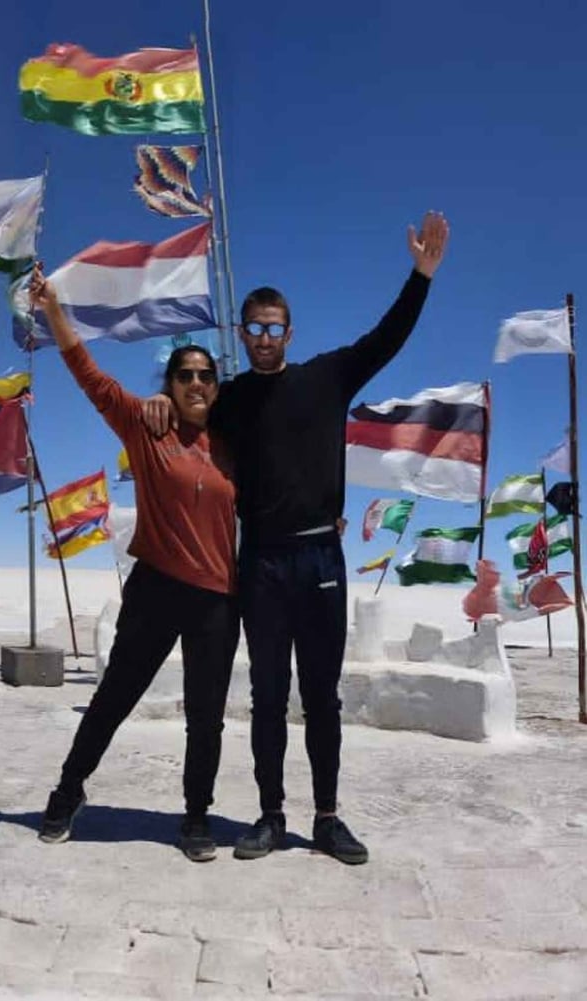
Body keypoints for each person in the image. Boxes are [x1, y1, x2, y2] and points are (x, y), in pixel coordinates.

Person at [144, 211, 450, 865]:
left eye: (273, 328)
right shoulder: (229, 399)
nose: (264, 338)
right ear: (242, 333)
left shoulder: (326, 377)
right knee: (267, 697)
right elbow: (185, 411)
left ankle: (328, 818)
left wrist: (421, 277)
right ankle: (270, 815)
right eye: (254, 329)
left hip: (320, 559)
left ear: (289, 332)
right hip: (261, 560)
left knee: (321, 696)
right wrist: (161, 402)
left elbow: (386, 338)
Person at [30, 265, 239, 862]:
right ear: (169, 384)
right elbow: (89, 376)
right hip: (156, 590)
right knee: (115, 697)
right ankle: (67, 791)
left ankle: (195, 817)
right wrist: (53, 309)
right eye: (184, 375)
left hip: (217, 599)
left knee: (206, 717)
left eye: (205, 375)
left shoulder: (234, 444)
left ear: (216, 387)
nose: (196, 382)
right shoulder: (148, 431)